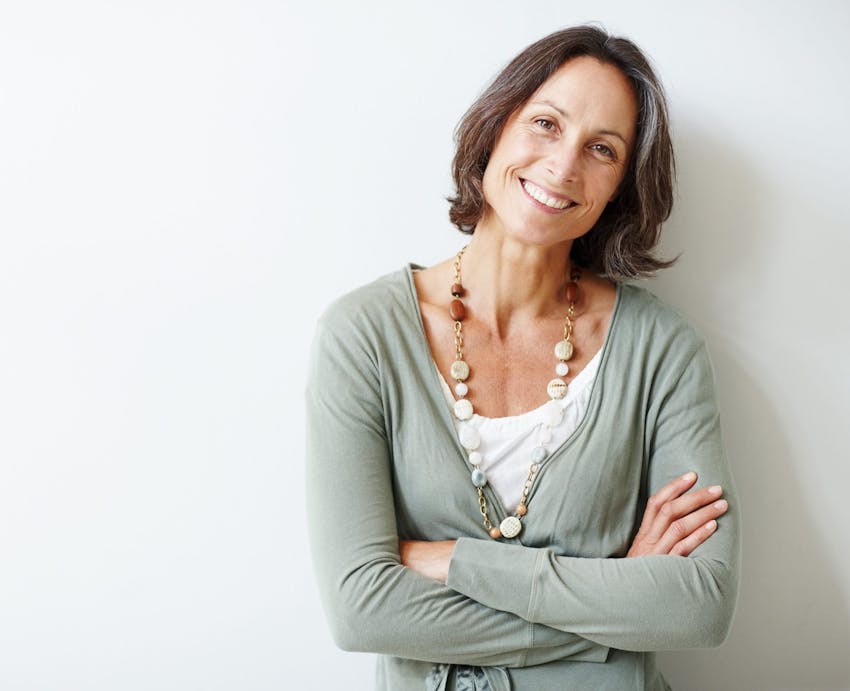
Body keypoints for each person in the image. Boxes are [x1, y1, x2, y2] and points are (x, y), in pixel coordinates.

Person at [306, 25, 740, 691]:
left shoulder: (663, 351)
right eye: (546, 123)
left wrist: (452, 560)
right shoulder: (364, 334)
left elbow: (699, 604)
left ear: (620, 187)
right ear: (496, 126)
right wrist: (616, 602)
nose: (564, 165)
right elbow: (360, 608)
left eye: (602, 148)